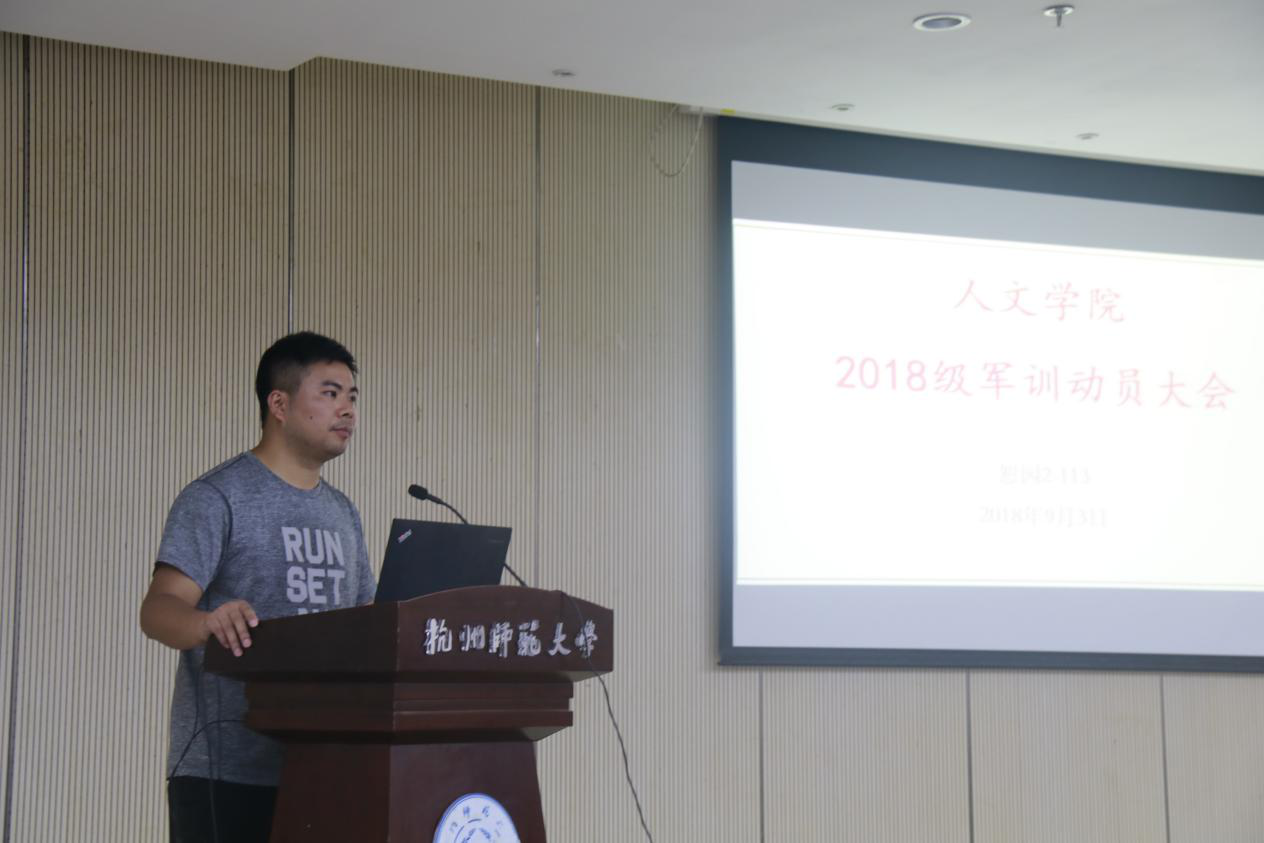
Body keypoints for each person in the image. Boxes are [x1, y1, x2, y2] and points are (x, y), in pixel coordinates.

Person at [139, 332, 377, 843]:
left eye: (352, 396)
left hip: (325, 765)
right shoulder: (217, 497)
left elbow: (367, 617)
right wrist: (206, 622)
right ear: (279, 405)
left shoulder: (342, 512)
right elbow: (158, 610)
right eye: (330, 393)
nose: (348, 410)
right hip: (226, 773)